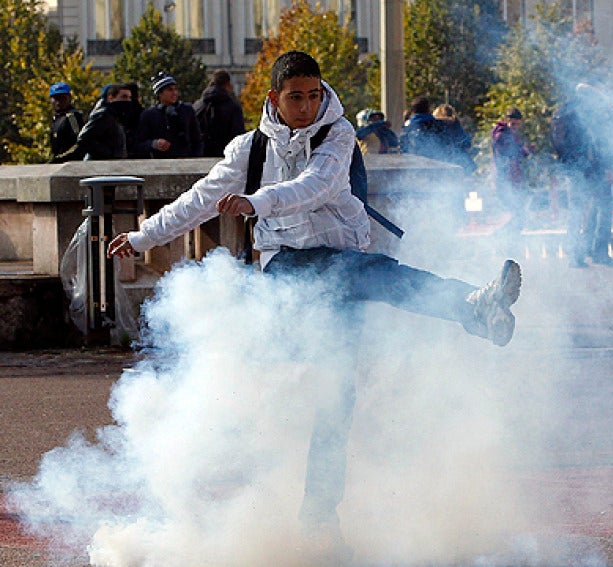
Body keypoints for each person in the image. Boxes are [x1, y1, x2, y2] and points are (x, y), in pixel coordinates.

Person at [106, 51, 521, 558]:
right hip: (287, 270)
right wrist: (144, 236)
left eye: (313, 94)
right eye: (295, 97)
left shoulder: (339, 134)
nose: (306, 106)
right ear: (274, 100)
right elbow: (199, 199)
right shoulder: (249, 150)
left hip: (339, 265)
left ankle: (319, 514)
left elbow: (317, 187)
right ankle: (473, 308)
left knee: (336, 393)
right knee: (370, 277)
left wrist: (256, 203)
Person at [551, 83, 613, 268]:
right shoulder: (591, 113)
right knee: (604, 207)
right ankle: (599, 252)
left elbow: (557, 142)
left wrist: (568, 162)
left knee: (577, 210)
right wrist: (607, 166)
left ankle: (576, 255)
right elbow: (601, 142)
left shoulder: (562, 112)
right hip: (594, 168)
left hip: (574, 169)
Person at [51, 84, 133, 162]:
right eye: (124, 97)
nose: (128, 101)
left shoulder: (115, 115)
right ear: (111, 98)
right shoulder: (103, 114)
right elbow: (82, 139)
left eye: (129, 97)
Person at [135, 72, 203, 158]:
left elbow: (197, 139)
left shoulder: (187, 110)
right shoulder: (149, 114)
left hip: (186, 159)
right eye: (170, 90)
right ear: (160, 93)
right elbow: (139, 143)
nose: (174, 93)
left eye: (175, 89)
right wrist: (154, 144)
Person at [491, 107, 533, 247]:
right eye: (513, 124)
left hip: (513, 178)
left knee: (519, 213)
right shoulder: (502, 135)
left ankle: (508, 241)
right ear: (507, 121)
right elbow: (507, 156)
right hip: (505, 180)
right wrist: (524, 150)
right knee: (517, 213)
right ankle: (500, 238)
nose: (516, 127)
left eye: (518, 124)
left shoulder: (511, 135)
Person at [193, 69, 246, 157]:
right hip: (225, 158)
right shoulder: (233, 107)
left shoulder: (198, 106)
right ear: (228, 85)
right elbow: (238, 136)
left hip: (201, 156)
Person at [433, 103, 476, 174]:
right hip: (462, 165)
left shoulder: (435, 127)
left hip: (442, 165)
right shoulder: (455, 125)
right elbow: (467, 143)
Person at [47, 82, 85, 160]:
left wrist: (61, 158)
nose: (59, 101)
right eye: (56, 98)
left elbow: (79, 142)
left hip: (71, 162)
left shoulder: (72, 116)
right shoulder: (57, 118)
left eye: (63, 98)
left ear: (69, 98)